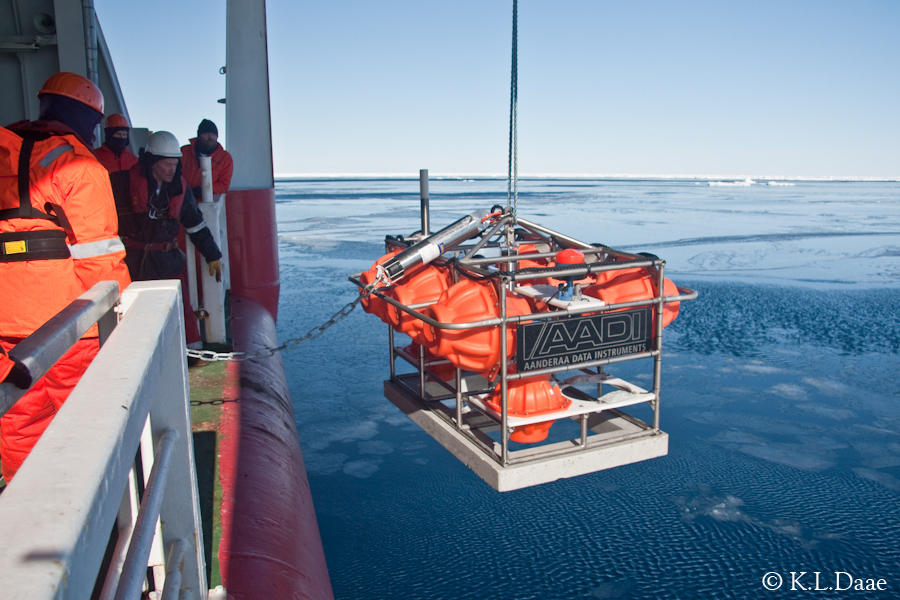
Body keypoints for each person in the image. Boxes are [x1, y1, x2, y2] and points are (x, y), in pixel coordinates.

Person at [0, 72, 131, 481]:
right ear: (85, 119)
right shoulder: (79, 165)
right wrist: (121, 315)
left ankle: (30, 502)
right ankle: (88, 502)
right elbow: (100, 260)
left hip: (5, 325)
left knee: (20, 420)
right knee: (83, 415)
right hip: (68, 326)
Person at [111, 130, 222, 348]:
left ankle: (191, 351)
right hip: (133, 262)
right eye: (166, 164)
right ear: (152, 162)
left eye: (175, 164)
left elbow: (195, 224)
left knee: (177, 307)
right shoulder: (120, 184)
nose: (172, 169)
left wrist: (213, 254)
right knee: (135, 312)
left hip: (167, 261)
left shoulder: (180, 189)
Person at [181, 118, 233, 200]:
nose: (210, 137)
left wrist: (204, 190)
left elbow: (224, 185)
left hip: (209, 206)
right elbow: (174, 176)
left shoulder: (225, 158)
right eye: (206, 133)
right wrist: (185, 191)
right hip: (182, 202)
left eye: (214, 134)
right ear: (199, 135)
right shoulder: (183, 152)